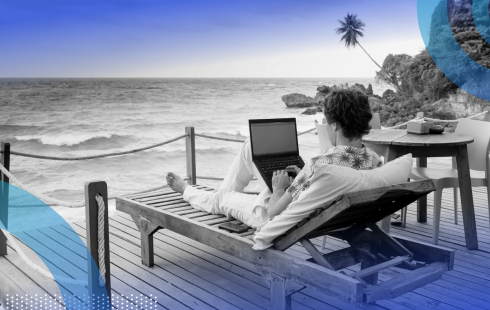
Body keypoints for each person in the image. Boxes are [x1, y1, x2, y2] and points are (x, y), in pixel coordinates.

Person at [166, 88, 382, 230]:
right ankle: (212, 193)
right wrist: (303, 178)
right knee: (252, 146)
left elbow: (273, 212)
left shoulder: (322, 163)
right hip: (323, 210)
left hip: (276, 217)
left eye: (327, 122)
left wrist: (279, 188)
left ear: (334, 125)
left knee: (222, 198)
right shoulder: (374, 160)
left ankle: (187, 190)